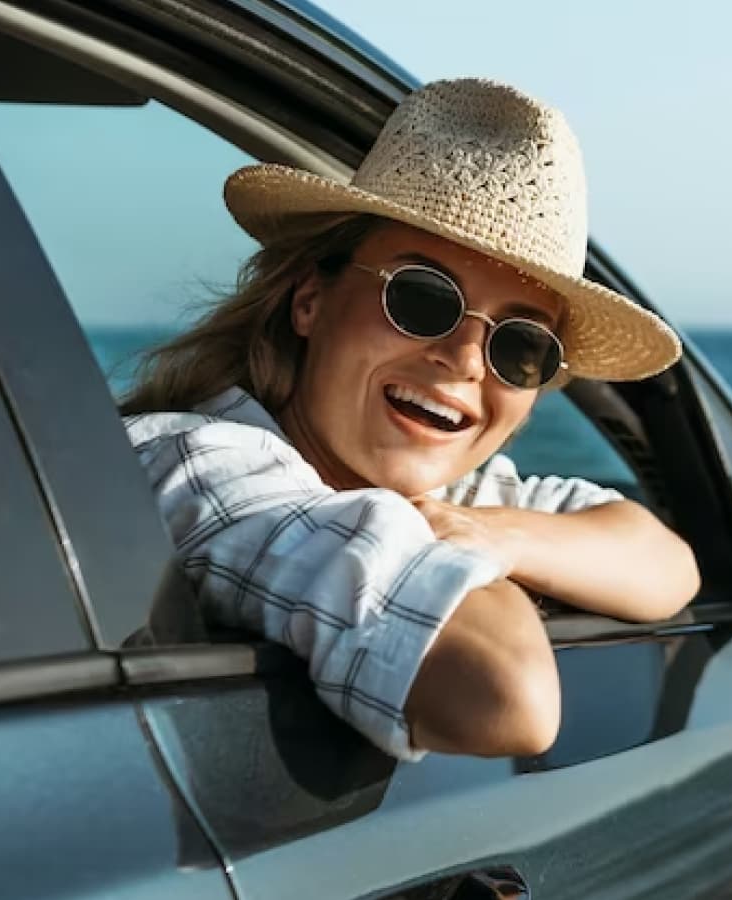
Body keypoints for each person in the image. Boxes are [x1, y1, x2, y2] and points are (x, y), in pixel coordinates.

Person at [119, 78, 700, 762]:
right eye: (421, 298)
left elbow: (667, 564)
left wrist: (490, 533)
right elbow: (510, 696)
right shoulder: (200, 467)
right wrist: (476, 546)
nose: (464, 360)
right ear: (310, 299)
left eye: (520, 345)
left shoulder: (447, 502)